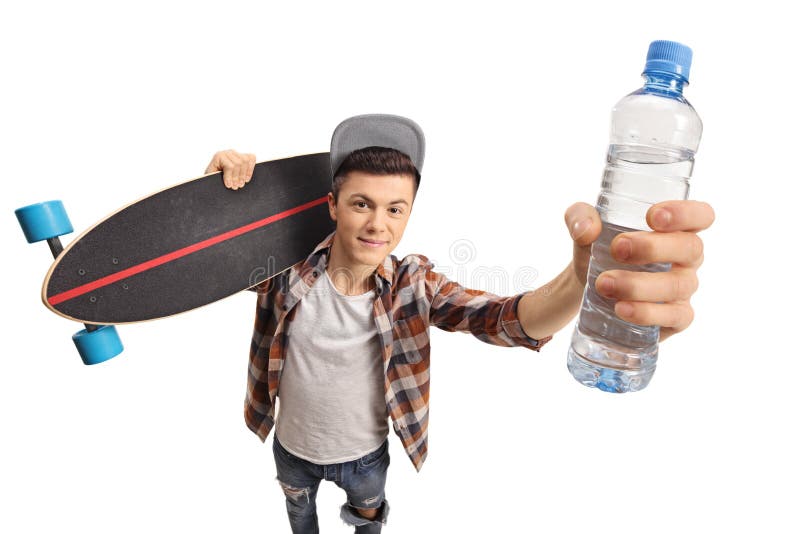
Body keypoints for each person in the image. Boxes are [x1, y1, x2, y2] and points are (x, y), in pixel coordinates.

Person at [204, 114, 715, 533]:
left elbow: (502, 319)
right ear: (334, 206)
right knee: (299, 515)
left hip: (367, 459)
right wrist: (211, 198)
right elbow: (206, 264)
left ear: (408, 214)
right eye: (361, 203)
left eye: (394, 208)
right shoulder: (283, 271)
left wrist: (582, 277)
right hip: (291, 448)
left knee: (368, 516)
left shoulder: (414, 284)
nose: (377, 224)